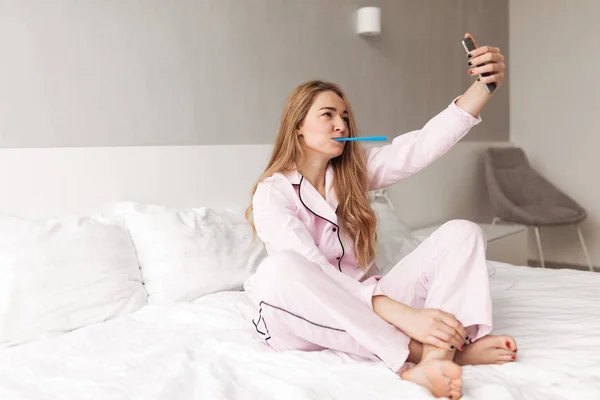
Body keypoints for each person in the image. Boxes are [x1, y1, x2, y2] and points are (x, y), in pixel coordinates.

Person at [244, 33, 516, 400]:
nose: (341, 124)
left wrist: (485, 86)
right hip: (299, 312)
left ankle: (438, 358)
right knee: (280, 270)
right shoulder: (272, 193)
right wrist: (402, 314)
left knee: (462, 232)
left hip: (370, 299)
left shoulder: (353, 172)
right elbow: (311, 268)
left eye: (344, 116)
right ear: (298, 126)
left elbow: (419, 148)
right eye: (327, 115)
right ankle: (435, 352)